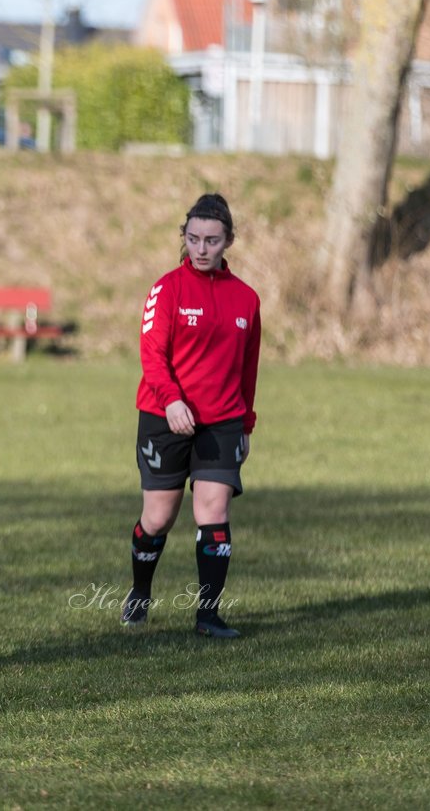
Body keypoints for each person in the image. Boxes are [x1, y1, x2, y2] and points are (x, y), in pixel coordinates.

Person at [121, 193, 261, 638]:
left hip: (222, 420)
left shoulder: (246, 299)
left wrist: (246, 423)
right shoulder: (167, 289)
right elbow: (151, 354)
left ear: (229, 242)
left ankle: (208, 616)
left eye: (212, 240)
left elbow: (248, 367)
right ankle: (140, 593)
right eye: (194, 238)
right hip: (164, 416)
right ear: (184, 237)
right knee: (159, 518)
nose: (202, 249)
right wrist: (172, 400)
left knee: (213, 511)